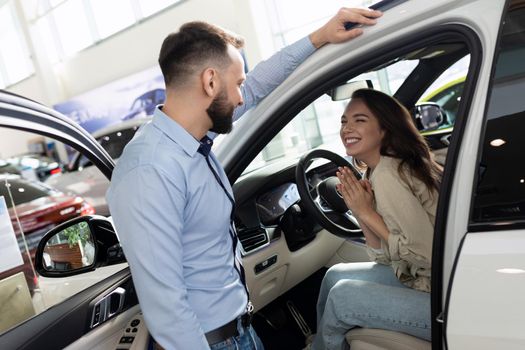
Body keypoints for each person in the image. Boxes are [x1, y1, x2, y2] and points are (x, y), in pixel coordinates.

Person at [107, 8, 382, 350]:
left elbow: (258, 86)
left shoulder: (192, 135)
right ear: (210, 82)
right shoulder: (150, 169)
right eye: (236, 83)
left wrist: (319, 38)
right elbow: (166, 305)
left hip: (240, 331)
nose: (241, 96)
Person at [311, 89, 442, 350]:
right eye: (344, 121)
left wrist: (368, 213)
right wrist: (361, 212)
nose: (347, 128)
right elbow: (384, 259)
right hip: (428, 281)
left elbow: (425, 254)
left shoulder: (389, 174)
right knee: (334, 276)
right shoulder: (379, 169)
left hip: (441, 298)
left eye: (360, 120)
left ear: (385, 128)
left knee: (342, 298)